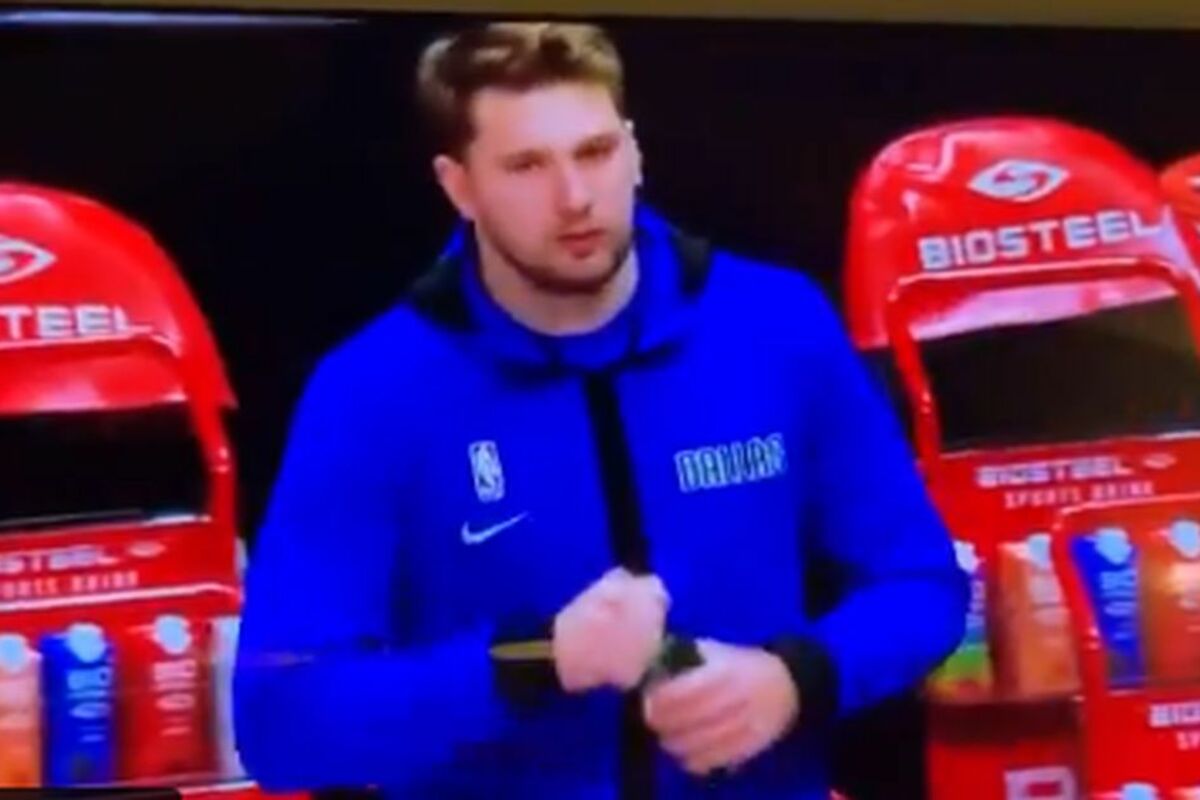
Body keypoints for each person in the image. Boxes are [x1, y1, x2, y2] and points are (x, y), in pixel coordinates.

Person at [232, 20, 968, 800]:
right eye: (527, 166)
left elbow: (924, 585)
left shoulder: (777, 326)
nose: (575, 198)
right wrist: (536, 660)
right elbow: (280, 721)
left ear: (635, 150)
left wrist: (796, 678)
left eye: (595, 152)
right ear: (459, 186)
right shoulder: (373, 391)